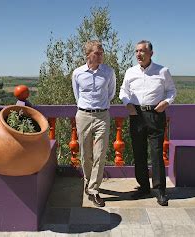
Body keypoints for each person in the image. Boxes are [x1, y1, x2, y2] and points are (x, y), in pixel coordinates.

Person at [119, 40, 176, 206]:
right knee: (139, 152)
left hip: (155, 114)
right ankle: (144, 187)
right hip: (136, 114)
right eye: (136, 51)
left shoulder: (162, 71)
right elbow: (124, 90)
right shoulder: (130, 72)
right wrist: (127, 103)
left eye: (142, 51)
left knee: (157, 153)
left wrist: (166, 102)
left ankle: (159, 191)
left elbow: (172, 90)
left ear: (151, 53)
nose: (138, 54)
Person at [72, 40, 116, 207]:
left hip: (102, 116)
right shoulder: (77, 73)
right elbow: (77, 96)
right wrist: (87, 109)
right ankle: (88, 182)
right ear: (88, 54)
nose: (100, 56)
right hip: (83, 116)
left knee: (100, 154)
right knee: (86, 154)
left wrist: (99, 107)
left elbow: (111, 93)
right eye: (97, 53)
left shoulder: (109, 72)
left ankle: (94, 189)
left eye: (101, 53)